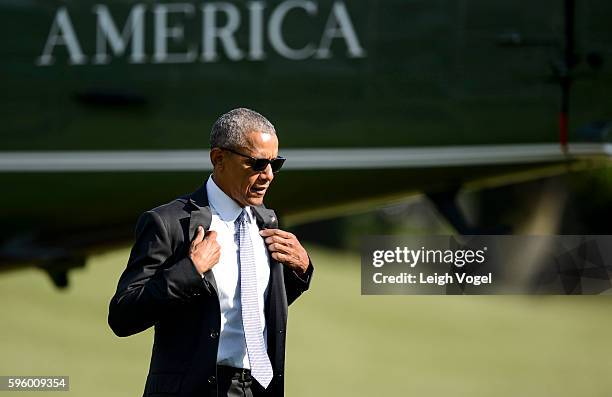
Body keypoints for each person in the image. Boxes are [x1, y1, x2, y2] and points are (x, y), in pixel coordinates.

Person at [108, 108, 314, 397]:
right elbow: (122, 316)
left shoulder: (267, 222)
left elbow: (252, 309)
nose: (268, 175)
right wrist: (188, 271)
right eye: (256, 164)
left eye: (274, 164)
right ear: (219, 158)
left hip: (258, 388)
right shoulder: (167, 223)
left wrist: (302, 271)